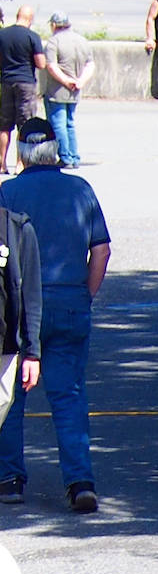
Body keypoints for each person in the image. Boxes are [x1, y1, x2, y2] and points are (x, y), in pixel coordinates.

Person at [0, 117, 110, 514]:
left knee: (12, 395)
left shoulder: (8, 193)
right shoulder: (80, 189)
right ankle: (80, 480)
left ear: (23, 153)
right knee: (69, 395)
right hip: (68, 300)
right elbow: (101, 250)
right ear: (55, 149)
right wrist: (86, 294)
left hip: (18, 307)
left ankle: (10, 477)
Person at [0, 188, 42, 500]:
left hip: (5, 347)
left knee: (5, 409)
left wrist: (32, 352)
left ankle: (8, 476)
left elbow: (30, 296)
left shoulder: (16, 228)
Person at [41, 12, 93, 171]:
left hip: (57, 91)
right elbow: (90, 65)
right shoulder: (82, 40)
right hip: (75, 91)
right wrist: (80, 81)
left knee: (58, 124)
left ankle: (65, 157)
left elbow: (51, 66)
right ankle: (74, 155)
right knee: (70, 123)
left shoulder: (53, 42)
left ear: (54, 25)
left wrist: (65, 81)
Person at [0, 1, 44, 173]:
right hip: (25, 83)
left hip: (6, 82)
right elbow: (40, 63)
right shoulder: (32, 36)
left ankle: (2, 163)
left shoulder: (3, 35)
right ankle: (20, 163)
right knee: (25, 125)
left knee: (4, 125)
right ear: (30, 19)